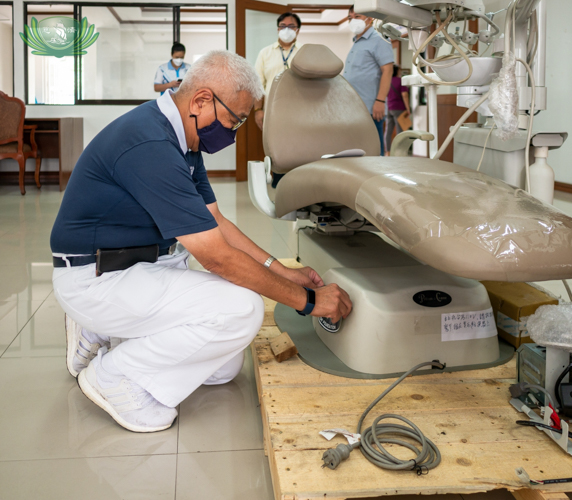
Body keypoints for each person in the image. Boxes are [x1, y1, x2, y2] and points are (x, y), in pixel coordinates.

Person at [51, 50, 352, 433]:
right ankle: (112, 376)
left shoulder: (183, 138)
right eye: (234, 120)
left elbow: (216, 222)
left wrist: (282, 272)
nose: (233, 132)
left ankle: (102, 330)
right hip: (97, 276)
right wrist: (309, 302)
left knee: (223, 368)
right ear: (202, 100)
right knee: (242, 311)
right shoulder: (150, 145)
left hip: (139, 264)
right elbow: (217, 258)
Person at [254, 12, 302, 187]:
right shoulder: (265, 53)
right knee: (276, 147)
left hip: (300, 111)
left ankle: (297, 181)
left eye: (291, 26)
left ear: (298, 30)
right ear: (277, 29)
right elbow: (258, 84)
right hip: (272, 110)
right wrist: (258, 110)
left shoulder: (304, 51)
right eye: (283, 26)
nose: (286, 29)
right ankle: (278, 180)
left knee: (298, 146)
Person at [343, 7, 394, 156]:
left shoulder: (379, 39)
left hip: (371, 108)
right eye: (350, 17)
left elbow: (388, 70)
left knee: (373, 152)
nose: (353, 20)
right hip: (353, 109)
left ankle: (376, 178)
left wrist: (380, 101)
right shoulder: (357, 41)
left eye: (357, 16)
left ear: (370, 18)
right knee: (357, 151)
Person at [384, 64, 410, 154]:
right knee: (400, 131)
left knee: (388, 130)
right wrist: (408, 108)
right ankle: (399, 151)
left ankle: (387, 151)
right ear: (397, 71)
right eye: (399, 70)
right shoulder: (401, 81)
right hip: (399, 108)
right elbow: (405, 95)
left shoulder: (387, 81)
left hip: (389, 108)